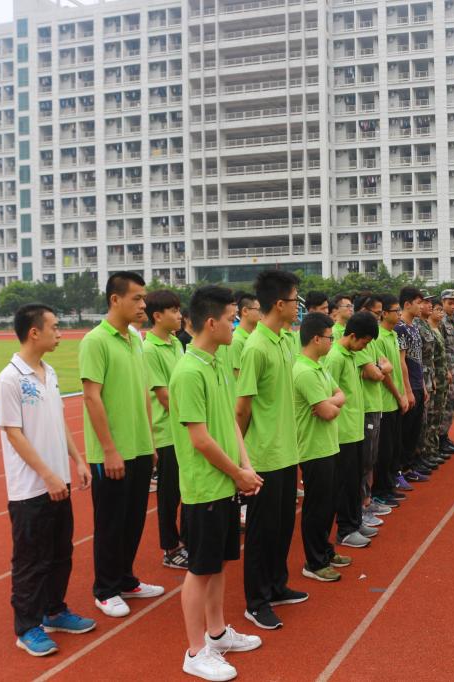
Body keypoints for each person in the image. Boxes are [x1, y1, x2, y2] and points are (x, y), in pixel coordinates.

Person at [169, 285, 265, 681]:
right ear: (211, 323)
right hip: (204, 488)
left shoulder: (216, 362)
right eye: (231, 319)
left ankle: (218, 632)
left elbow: (229, 422)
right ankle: (195, 652)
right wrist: (237, 473)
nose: (235, 325)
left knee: (219, 562)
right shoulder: (189, 372)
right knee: (200, 568)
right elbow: (200, 439)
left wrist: (246, 465)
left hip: (225, 483)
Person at [0, 304, 96, 657]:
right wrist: (48, 475)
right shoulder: (10, 378)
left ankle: (54, 611)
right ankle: (27, 628)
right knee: (31, 560)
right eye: (54, 326)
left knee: (60, 553)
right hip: (31, 489)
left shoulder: (48, 372)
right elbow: (14, 433)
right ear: (34, 332)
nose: (60, 332)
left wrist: (77, 460)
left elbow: (58, 420)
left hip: (58, 482)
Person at [79, 271, 164, 618]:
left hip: (140, 446)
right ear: (115, 300)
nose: (143, 304)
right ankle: (105, 589)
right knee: (111, 522)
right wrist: (109, 449)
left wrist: (150, 442)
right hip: (112, 451)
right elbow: (91, 396)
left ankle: (126, 579)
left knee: (133, 519)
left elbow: (143, 393)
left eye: (144, 298)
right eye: (137, 298)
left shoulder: (136, 340)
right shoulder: (95, 341)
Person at [236, 269, 308, 630]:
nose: (298, 306)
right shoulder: (255, 347)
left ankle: (277, 585)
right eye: (295, 300)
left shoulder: (285, 340)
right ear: (279, 304)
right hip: (263, 454)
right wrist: (241, 460)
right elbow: (242, 408)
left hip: (287, 451)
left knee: (281, 527)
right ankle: (257, 600)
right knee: (261, 533)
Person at [294, 312, 351, 582]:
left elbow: (340, 396)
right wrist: (332, 405)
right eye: (330, 337)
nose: (332, 342)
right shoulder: (304, 371)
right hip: (313, 448)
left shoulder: (319, 367)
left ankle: (325, 552)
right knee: (317, 507)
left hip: (328, 445)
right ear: (316, 339)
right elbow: (327, 412)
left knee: (328, 505)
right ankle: (314, 562)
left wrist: (331, 403)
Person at [325, 312, 380, 548]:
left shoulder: (351, 355)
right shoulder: (335, 357)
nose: (365, 347)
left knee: (355, 480)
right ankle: (345, 530)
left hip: (355, 429)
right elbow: (328, 395)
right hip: (343, 432)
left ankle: (355, 521)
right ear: (353, 336)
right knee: (345, 484)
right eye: (364, 342)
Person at [143, 289, 188, 570]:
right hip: (168, 432)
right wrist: (194, 418)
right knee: (169, 494)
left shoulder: (175, 344)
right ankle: (170, 549)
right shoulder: (149, 349)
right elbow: (163, 395)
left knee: (186, 489)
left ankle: (186, 540)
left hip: (184, 429)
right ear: (158, 316)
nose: (179, 315)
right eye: (174, 311)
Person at [354, 295, 394, 521]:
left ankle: (367, 501)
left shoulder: (371, 339)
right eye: (376, 313)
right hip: (365, 406)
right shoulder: (357, 340)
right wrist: (380, 368)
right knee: (364, 460)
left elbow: (385, 366)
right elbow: (376, 373)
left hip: (374, 404)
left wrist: (380, 368)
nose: (379, 317)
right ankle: (362, 505)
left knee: (371, 458)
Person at [372, 294, 410, 507]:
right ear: (384, 314)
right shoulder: (378, 337)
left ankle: (388, 486)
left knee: (394, 447)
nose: (399, 314)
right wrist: (398, 395)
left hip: (395, 400)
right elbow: (385, 374)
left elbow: (396, 368)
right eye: (396, 311)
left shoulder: (393, 334)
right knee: (384, 451)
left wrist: (403, 395)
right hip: (386, 402)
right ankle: (380, 490)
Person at [396, 287, 428, 485]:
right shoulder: (400, 329)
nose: (421, 306)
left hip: (417, 384)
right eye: (418, 303)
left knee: (415, 430)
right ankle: (399, 469)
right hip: (408, 387)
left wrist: (422, 386)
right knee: (405, 431)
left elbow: (419, 360)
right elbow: (401, 362)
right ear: (407, 304)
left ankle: (409, 467)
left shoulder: (414, 327)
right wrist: (408, 390)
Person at [419, 297, 451, 470]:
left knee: (436, 415)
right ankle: (426, 452)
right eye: (425, 302)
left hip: (436, 377)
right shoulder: (419, 327)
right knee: (429, 417)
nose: (430, 307)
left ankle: (433, 449)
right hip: (429, 378)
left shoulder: (432, 328)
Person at [412, 294, 440, 476]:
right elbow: (418, 358)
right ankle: (418, 456)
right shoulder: (415, 326)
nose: (429, 305)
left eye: (430, 302)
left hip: (428, 377)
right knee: (421, 420)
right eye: (424, 302)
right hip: (420, 378)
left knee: (428, 418)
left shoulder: (425, 325)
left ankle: (425, 453)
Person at [439, 289, 454, 454]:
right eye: (450, 303)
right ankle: (440, 440)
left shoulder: (451, 321)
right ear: (442, 302)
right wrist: (446, 370)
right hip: (446, 373)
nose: (453, 306)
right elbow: (440, 349)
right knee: (444, 406)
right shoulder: (441, 322)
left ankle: (444, 436)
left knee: (451, 406)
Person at [230, 293, 261, 380]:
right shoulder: (236, 340)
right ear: (245, 311)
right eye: (258, 310)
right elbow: (238, 376)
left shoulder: (255, 337)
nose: (261, 313)